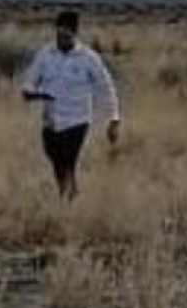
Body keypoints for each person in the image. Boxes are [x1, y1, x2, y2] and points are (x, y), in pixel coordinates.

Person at [21, 12, 121, 200]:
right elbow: (29, 80)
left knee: (68, 160)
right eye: (59, 35)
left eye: (66, 36)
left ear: (74, 34)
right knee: (56, 161)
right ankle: (68, 192)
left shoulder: (88, 58)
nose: (61, 40)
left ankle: (68, 199)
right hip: (51, 121)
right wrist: (31, 92)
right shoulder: (45, 55)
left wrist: (114, 118)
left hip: (77, 120)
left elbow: (106, 87)